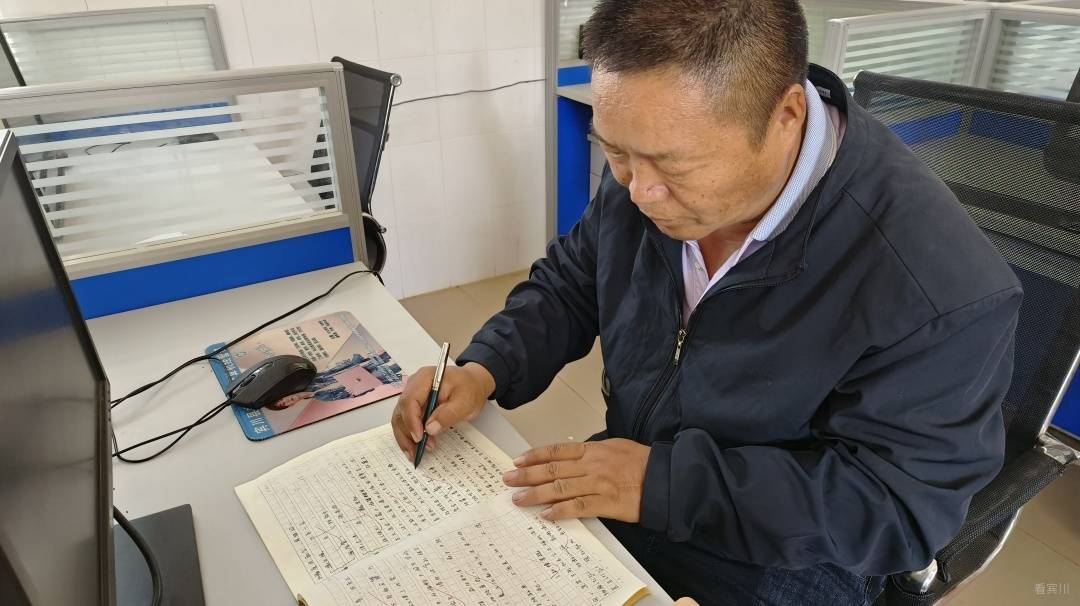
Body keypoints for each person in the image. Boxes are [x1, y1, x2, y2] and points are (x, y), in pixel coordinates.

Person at [391, 1, 1022, 604]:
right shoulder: (651, 162)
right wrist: (485, 368)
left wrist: (662, 484)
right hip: (637, 466)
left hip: (788, 550)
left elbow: (895, 510)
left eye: (673, 167)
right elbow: (573, 281)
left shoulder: (939, 287)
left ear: (786, 115)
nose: (639, 192)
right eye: (615, 153)